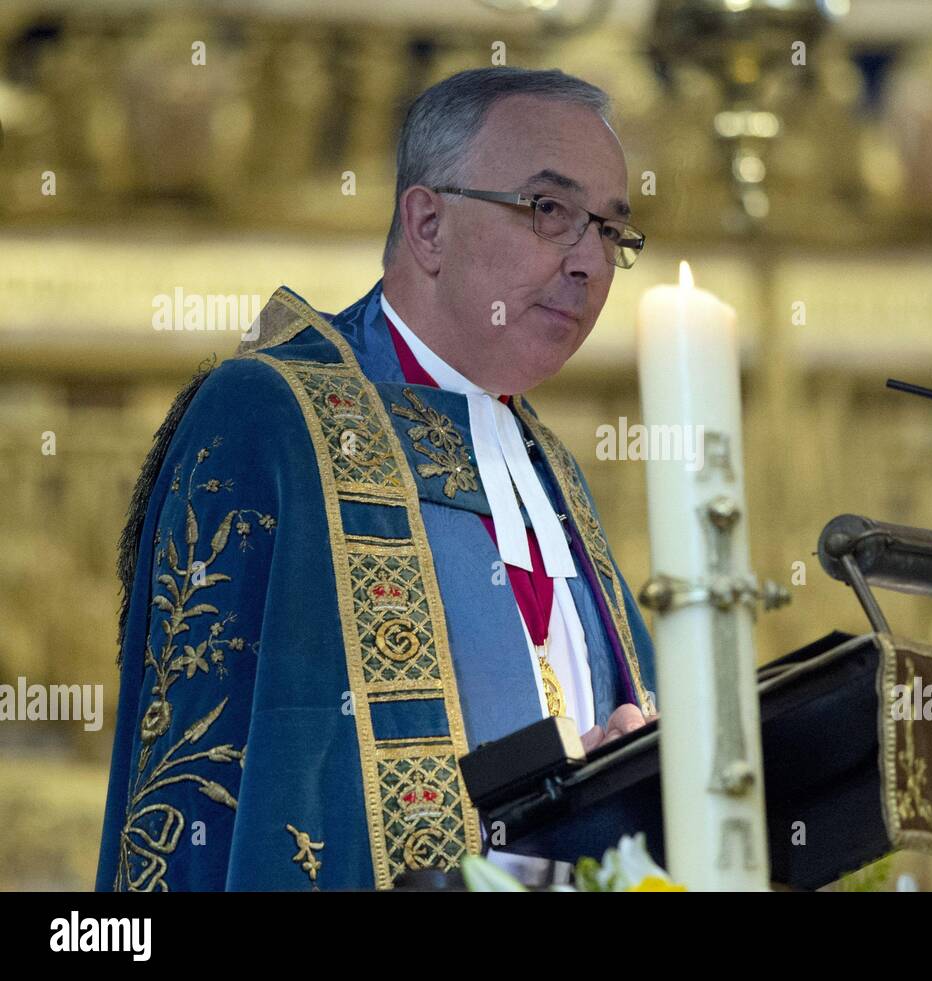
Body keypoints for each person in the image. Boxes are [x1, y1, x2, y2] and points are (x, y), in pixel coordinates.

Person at [96, 66, 657, 891]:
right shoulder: (270, 417)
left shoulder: (548, 466)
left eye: (612, 231)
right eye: (549, 211)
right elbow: (192, 788)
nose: (590, 263)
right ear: (427, 223)